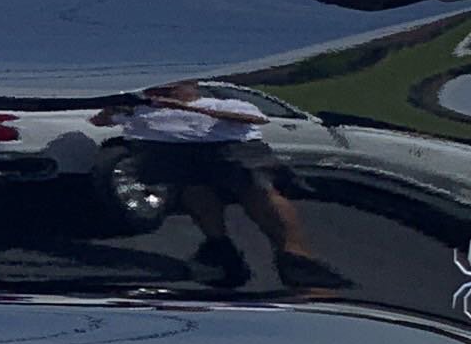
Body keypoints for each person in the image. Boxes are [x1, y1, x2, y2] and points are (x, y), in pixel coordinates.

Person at [97, 80, 348, 294]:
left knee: (255, 189)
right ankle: (219, 248)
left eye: (170, 89)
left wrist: (186, 108)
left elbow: (256, 118)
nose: (161, 94)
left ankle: (295, 255)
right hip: (172, 153)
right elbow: (99, 121)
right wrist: (115, 109)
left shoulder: (223, 104)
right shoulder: (141, 110)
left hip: (229, 149)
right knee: (194, 193)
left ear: (191, 87)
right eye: (156, 90)